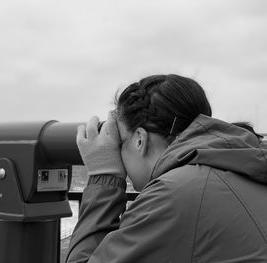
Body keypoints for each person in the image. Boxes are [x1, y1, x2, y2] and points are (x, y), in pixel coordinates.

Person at [66, 74, 267, 263]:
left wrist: (104, 175)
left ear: (139, 140)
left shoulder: (174, 194)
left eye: (118, 142)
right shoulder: (245, 165)